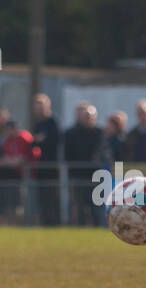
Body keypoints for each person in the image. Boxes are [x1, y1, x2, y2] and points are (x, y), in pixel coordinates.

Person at [64, 102, 107, 226]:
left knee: (96, 207)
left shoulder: (100, 133)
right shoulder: (71, 134)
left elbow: (102, 152)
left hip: (96, 176)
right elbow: (68, 155)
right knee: (79, 206)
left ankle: (97, 228)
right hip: (78, 175)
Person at [30, 94, 62, 226]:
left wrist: (42, 140)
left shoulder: (53, 122)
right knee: (42, 198)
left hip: (52, 167)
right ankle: (44, 223)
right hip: (40, 167)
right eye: (37, 108)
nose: (39, 110)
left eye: (41, 107)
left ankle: (55, 223)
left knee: (52, 198)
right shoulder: (37, 124)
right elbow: (34, 142)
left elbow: (54, 141)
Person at [123, 99, 146, 163]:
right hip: (136, 169)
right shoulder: (131, 134)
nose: (142, 116)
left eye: (144, 113)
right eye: (140, 113)